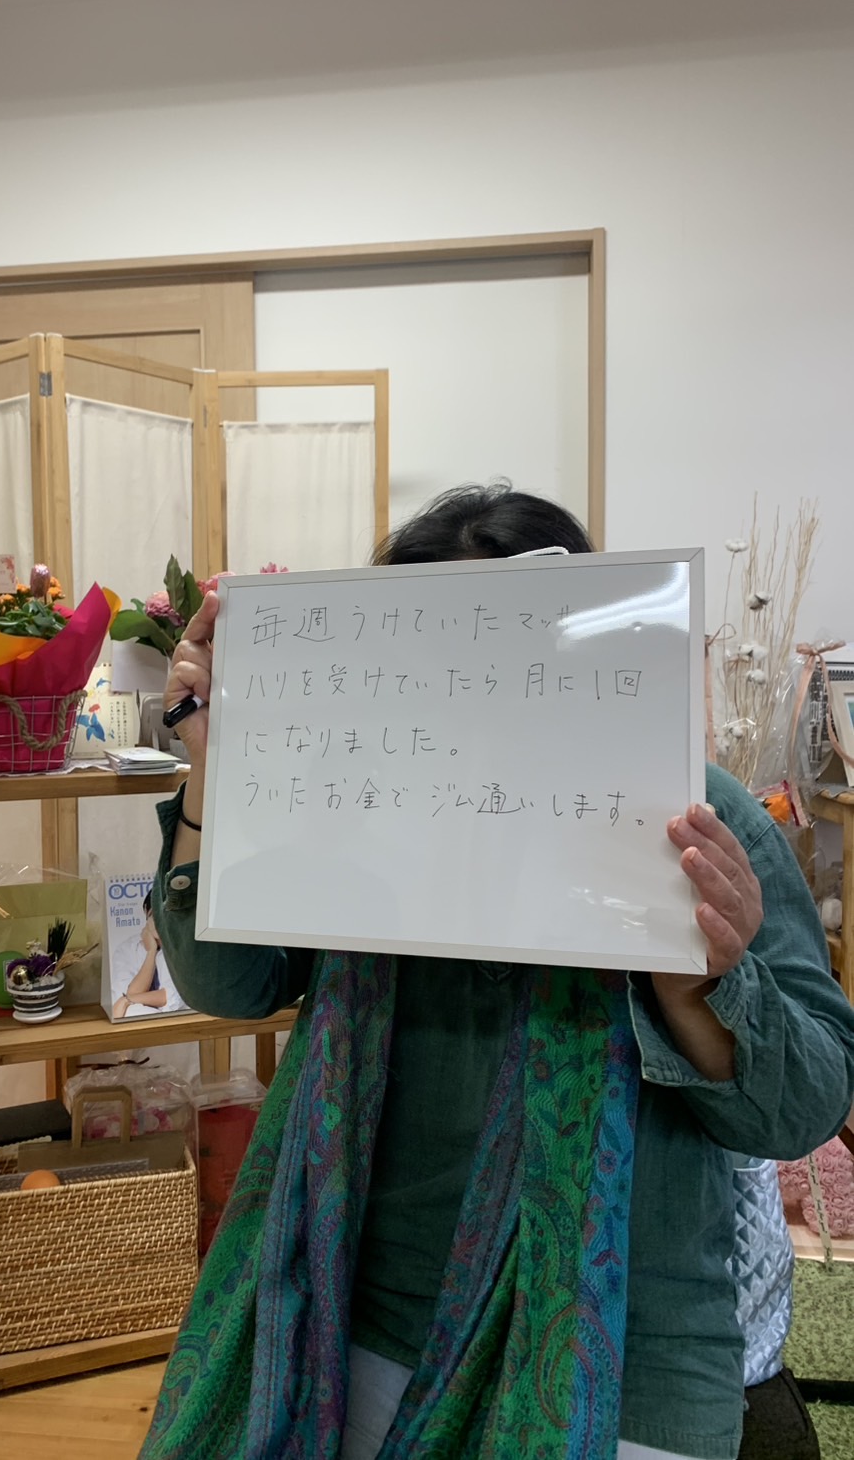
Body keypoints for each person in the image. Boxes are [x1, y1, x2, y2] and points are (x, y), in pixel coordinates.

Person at [138, 484, 854, 1460]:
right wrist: (214, 769)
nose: (471, 687)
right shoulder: (352, 805)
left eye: (505, 647)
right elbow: (229, 983)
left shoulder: (698, 818)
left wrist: (706, 984)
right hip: (363, 1320)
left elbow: (805, 1106)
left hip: (625, 1357)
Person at [108, 891, 183, 1019]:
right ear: (146, 912)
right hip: (143, 1019)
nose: (162, 922)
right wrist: (151, 952)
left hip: (179, 1019)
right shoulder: (126, 949)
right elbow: (125, 998)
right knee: (132, 1012)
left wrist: (128, 999)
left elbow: (171, 997)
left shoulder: (182, 946)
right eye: (155, 915)